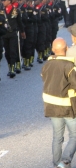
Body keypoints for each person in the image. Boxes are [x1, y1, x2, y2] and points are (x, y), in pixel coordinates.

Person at [42, 38, 76, 168]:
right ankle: (65, 160)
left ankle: (56, 163)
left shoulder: (46, 65)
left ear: (52, 50)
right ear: (66, 49)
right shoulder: (69, 67)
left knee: (57, 137)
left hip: (51, 106)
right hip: (67, 107)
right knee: (74, 135)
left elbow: (44, 77)